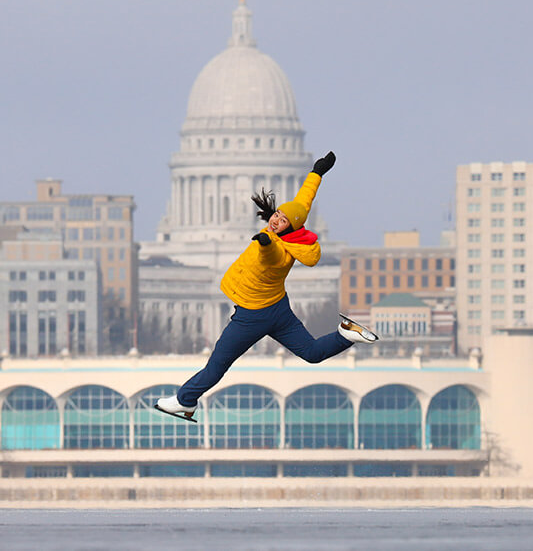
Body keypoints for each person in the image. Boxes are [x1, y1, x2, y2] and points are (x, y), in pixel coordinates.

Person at [154, 151, 378, 422]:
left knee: (217, 365)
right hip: (278, 309)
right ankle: (346, 335)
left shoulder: (275, 247)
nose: (275, 219)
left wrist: (264, 242)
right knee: (312, 353)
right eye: (277, 214)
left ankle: (184, 401)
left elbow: (270, 255)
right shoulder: (295, 230)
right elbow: (303, 200)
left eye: (281, 220)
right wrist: (317, 173)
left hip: (253, 315)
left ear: (287, 229)